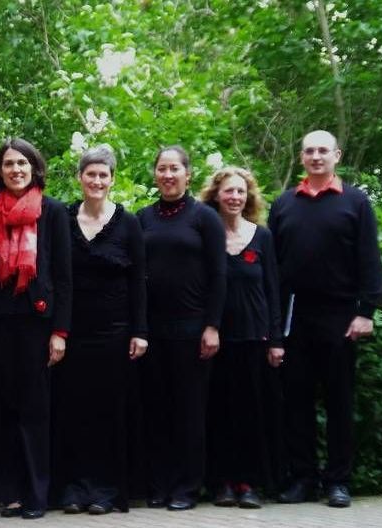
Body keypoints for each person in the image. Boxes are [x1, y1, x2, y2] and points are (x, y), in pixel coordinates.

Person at [269, 130, 382, 508]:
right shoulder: (284, 204)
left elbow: (369, 259)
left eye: (323, 150)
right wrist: (274, 324)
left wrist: (365, 312)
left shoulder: (355, 202)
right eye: (309, 151)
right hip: (293, 315)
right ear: (301, 157)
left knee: (338, 401)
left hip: (339, 314)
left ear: (337, 155)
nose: (316, 156)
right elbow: (274, 268)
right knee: (295, 401)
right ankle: (303, 478)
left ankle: (338, 481)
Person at [0, 138, 72, 520]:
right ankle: (11, 492)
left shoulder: (52, 212)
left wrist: (60, 332)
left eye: (23, 163)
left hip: (38, 322)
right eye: (9, 164)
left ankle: (37, 494)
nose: (16, 169)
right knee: (4, 409)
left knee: (34, 412)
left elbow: (64, 278)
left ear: (34, 168)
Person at [52, 145, 147, 515]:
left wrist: (140, 330)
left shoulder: (129, 223)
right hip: (72, 332)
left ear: (112, 180)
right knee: (73, 410)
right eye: (90, 174)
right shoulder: (62, 217)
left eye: (103, 175)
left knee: (108, 411)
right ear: (80, 178)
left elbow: (139, 278)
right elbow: (57, 275)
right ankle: (74, 487)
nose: (96, 180)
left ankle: (106, 490)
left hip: (115, 332)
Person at [136, 145, 226, 511]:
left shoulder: (205, 218)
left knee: (189, 414)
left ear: (188, 175)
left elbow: (219, 275)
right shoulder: (142, 218)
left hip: (193, 332)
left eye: (175, 169)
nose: (168, 175)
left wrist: (213, 326)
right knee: (156, 411)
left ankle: (188, 488)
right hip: (152, 332)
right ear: (155, 175)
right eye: (162, 169)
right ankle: (159, 485)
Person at [200, 167, 284, 508]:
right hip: (215, 339)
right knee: (218, 412)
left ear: (248, 196)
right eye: (228, 191)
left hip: (255, 338)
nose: (235, 197)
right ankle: (221, 483)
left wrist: (276, 339)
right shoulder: (205, 234)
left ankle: (248, 483)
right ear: (216, 195)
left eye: (240, 191)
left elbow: (273, 291)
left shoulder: (262, 236)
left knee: (252, 413)